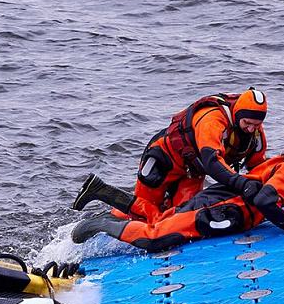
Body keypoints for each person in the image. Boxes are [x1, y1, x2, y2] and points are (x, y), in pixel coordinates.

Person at [72, 124, 284, 251]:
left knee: (161, 216)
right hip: (224, 208)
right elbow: (267, 200)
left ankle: (103, 192)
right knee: (156, 237)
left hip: (225, 201)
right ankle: (100, 224)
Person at [71, 88, 270, 224]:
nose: (251, 128)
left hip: (191, 173)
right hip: (162, 160)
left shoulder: (255, 136)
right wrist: (241, 184)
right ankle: (99, 197)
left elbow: (257, 166)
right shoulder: (212, 120)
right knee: (143, 214)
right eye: (247, 123)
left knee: (177, 219)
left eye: (256, 124)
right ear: (236, 114)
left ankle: (108, 214)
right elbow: (212, 163)